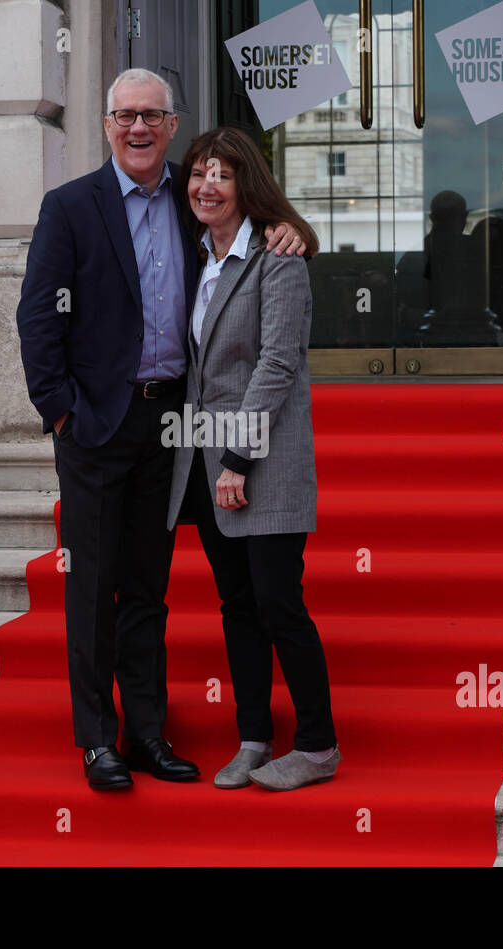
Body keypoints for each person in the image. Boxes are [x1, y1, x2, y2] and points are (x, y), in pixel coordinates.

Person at [15, 69, 305, 791]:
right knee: (93, 587)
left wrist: (288, 228)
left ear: (173, 125)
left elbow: (248, 221)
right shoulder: (70, 206)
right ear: (106, 124)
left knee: (149, 586)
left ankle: (147, 731)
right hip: (96, 423)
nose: (138, 129)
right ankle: (97, 741)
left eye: (152, 116)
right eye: (125, 116)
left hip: (175, 424)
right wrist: (59, 410)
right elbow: (37, 318)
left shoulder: (192, 196)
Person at [165, 127, 340, 792]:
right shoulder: (196, 259)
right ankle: (253, 739)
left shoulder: (278, 258)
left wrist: (238, 458)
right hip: (205, 465)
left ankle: (319, 745)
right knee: (236, 606)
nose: (206, 185)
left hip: (260, 462)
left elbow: (276, 363)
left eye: (222, 175)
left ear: (247, 187)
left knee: (276, 603)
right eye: (198, 173)